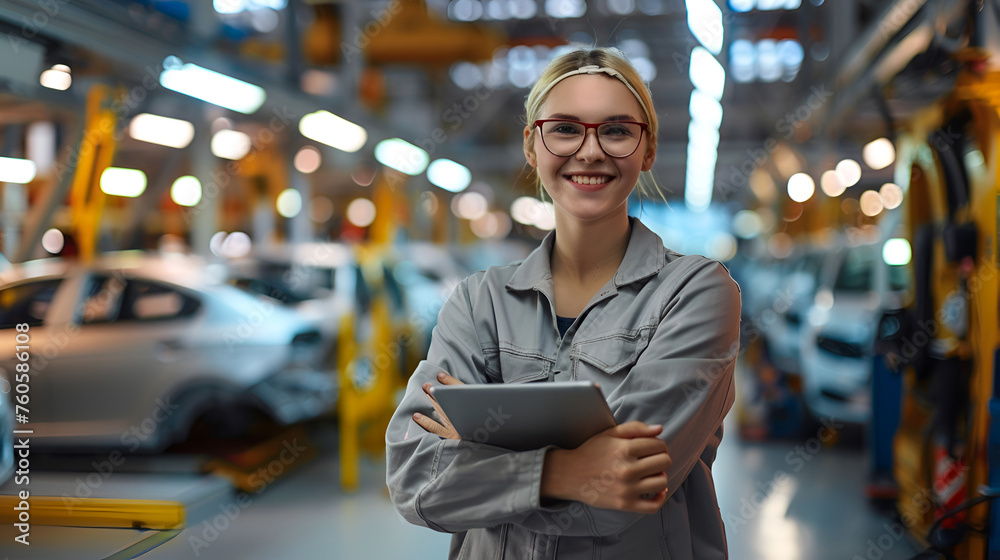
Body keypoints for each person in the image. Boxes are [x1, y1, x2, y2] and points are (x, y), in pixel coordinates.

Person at [386, 46, 741, 559]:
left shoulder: (695, 294)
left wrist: (482, 454)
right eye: (566, 129)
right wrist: (565, 470)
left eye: (617, 131)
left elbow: (625, 492)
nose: (591, 151)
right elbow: (416, 479)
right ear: (532, 145)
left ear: (648, 149)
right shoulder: (479, 301)